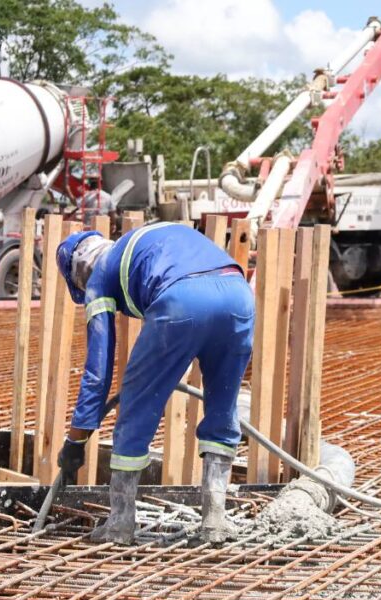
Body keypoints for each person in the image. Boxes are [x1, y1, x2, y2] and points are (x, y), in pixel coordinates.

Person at [54, 222, 254, 545]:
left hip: (182, 300)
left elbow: (98, 371)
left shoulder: (99, 277)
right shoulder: (144, 241)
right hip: (238, 296)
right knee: (223, 405)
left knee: (137, 403)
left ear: (78, 274)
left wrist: (76, 439)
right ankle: (215, 519)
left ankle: (120, 522)